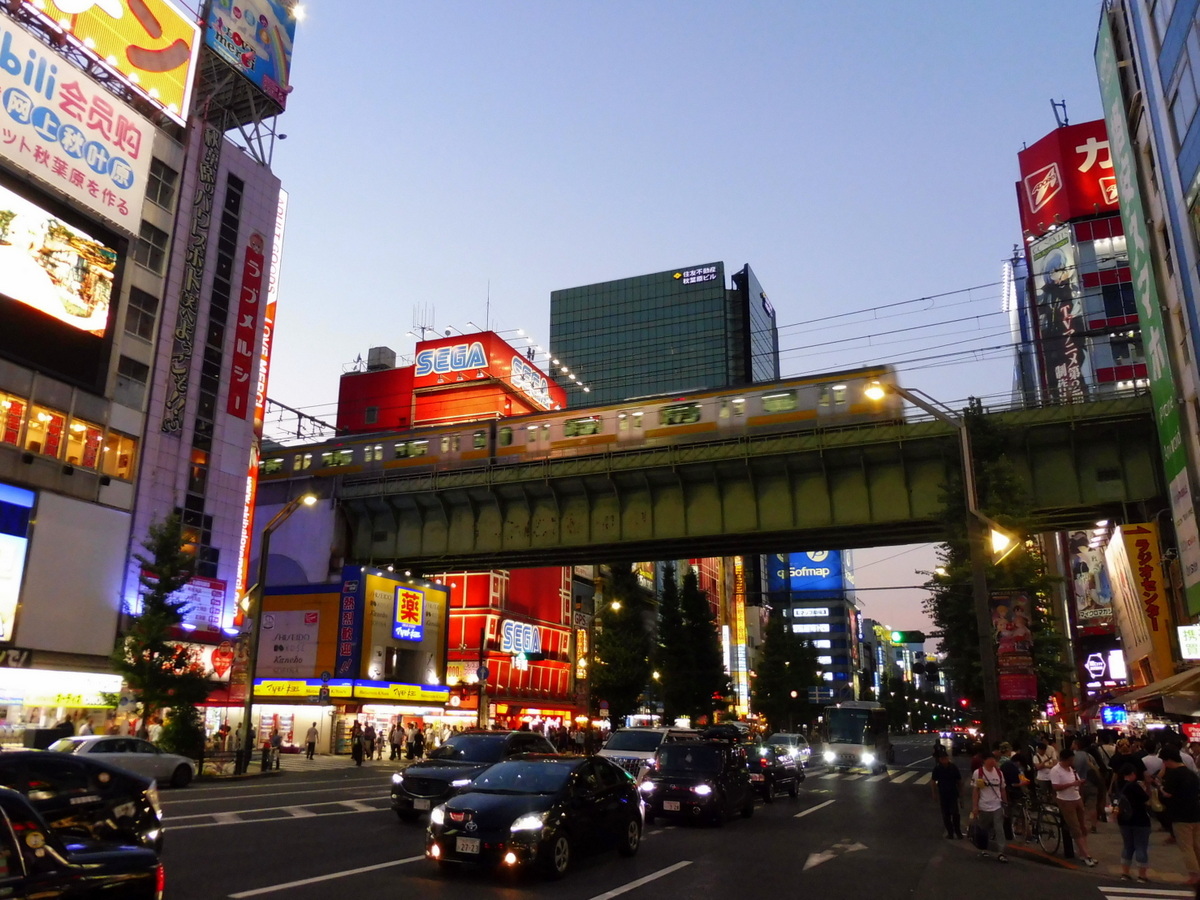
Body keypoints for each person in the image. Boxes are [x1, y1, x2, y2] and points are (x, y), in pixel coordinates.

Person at [1050, 749, 1098, 866]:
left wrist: (1078, 786)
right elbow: (1056, 787)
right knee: (1075, 828)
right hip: (1065, 800)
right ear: (1065, 760)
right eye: (1071, 760)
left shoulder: (1072, 769)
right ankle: (1086, 855)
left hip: (1076, 798)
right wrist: (1072, 784)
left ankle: (1083, 852)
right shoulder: (1055, 770)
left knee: (1083, 826)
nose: (1072, 762)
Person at [1161, 746, 1200, 885]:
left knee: (1186, 847)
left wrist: (1160, 788)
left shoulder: (1174, 774)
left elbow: (1167, 793)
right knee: (1196, 845)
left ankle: (1194, 876)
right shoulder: (1191, 774)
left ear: (1168, 760)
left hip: (1181, 815)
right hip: (1196, 813)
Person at [1114, 763, 1152, 883]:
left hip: (1123, 819)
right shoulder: (1134, 786)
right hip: (1140, 819)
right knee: (1141, 846)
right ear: (1132, 774)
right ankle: (1142, 875)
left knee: (1127, 846)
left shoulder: (1117, 785)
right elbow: (1146, 799)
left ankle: (1125, 873)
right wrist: (1146, 787)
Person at [972, 752, 1008, 862]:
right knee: (984, 828)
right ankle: (984, 849)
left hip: (997, 805)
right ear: (984, 760)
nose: (993, 761)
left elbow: (1002, 789)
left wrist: (1005, 803)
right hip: (984, 805)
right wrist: (975, 806)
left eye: (994, 759)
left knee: (999, 828)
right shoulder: (978, 773)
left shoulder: (999, 773)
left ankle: (1001, 852)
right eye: (990, 759)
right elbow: (976, 791)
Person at [931, 749, 964, 839]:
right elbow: (933, 781)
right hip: (943, 793)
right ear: (940, 759)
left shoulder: (953, 767)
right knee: (946, 815)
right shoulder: (937, 768)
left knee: (955, 813)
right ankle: (950, 832)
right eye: (942, 758)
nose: (944, 760)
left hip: (953, 793)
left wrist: (961, 794)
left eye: (945, 758)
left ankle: (958, 832)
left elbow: (959, 781)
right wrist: (934, 793)